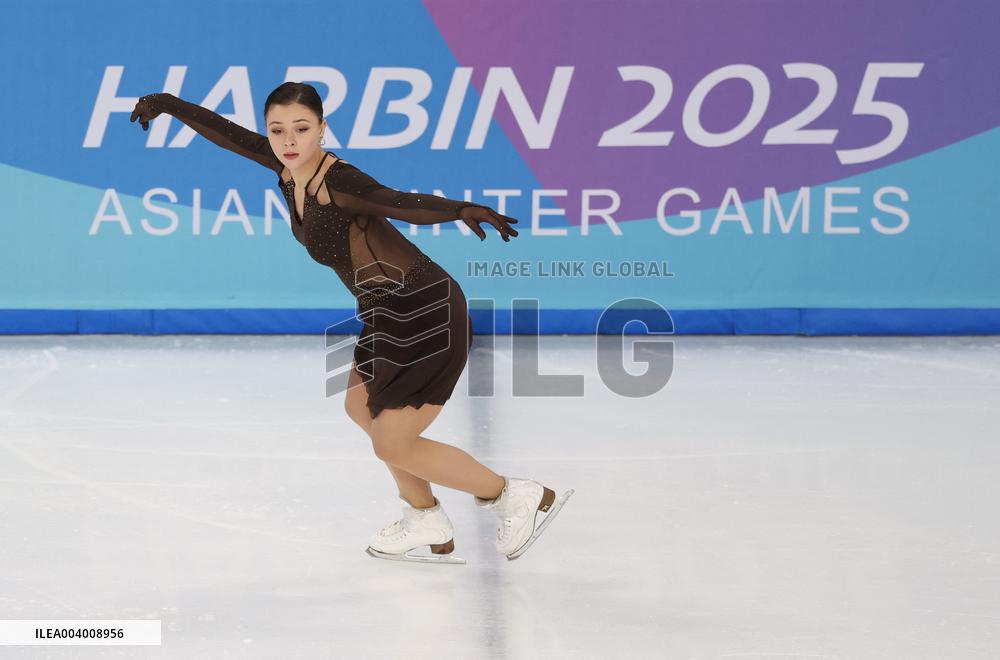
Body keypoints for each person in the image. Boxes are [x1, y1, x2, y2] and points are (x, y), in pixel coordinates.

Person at [129, 82, 572, 563]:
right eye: (277, 130)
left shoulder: (340, 182)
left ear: (322, 128)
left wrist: (459, 210)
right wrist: (167, 105)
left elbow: (398, 201)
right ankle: (424, 517)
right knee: (361, 407)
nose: (288, 139)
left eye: (301, 128)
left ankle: (515, 494)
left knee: (393, 441)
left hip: (426, 311)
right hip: (385, 313)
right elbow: (229, 136)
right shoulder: (287, 170)